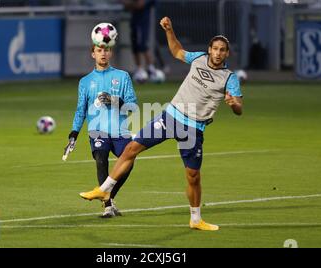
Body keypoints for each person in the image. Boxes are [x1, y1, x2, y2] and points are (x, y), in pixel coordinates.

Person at [79, 17, 243, 231]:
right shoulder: (198, 59)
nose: (218, 53)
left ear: (227, 53)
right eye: (215, 49)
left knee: (193, 177)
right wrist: (169, 30)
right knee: (132, 148)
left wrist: (233, 104)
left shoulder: (229, 77)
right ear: (209, 49)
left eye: (223, 50)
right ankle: (105, 189)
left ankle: (196, 219)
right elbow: (177, 52)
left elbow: (239, 108)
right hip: (171, 117)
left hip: (193, 128)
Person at [64, 43, 138, 218]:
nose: (103, 53)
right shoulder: (85, 82)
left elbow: (132, 105)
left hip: (120, 130)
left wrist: (114, 100)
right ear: (93, 54)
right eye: (99, 50)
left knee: (128, 163)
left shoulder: (123, 76)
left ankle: (109, 196)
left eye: (106, 50)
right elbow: (80, 110)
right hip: (97, 130)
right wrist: (74, 132)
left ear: (111, 52)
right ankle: (107, 206)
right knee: (100, 158)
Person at [120, 0, 162, 83]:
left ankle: (151, 70)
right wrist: (132, 4)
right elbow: (125, 4)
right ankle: (139, 69)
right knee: (135, 46)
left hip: (143, 22)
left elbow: (139, 4)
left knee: (142, 45)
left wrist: (130, 4)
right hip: (134, 22)